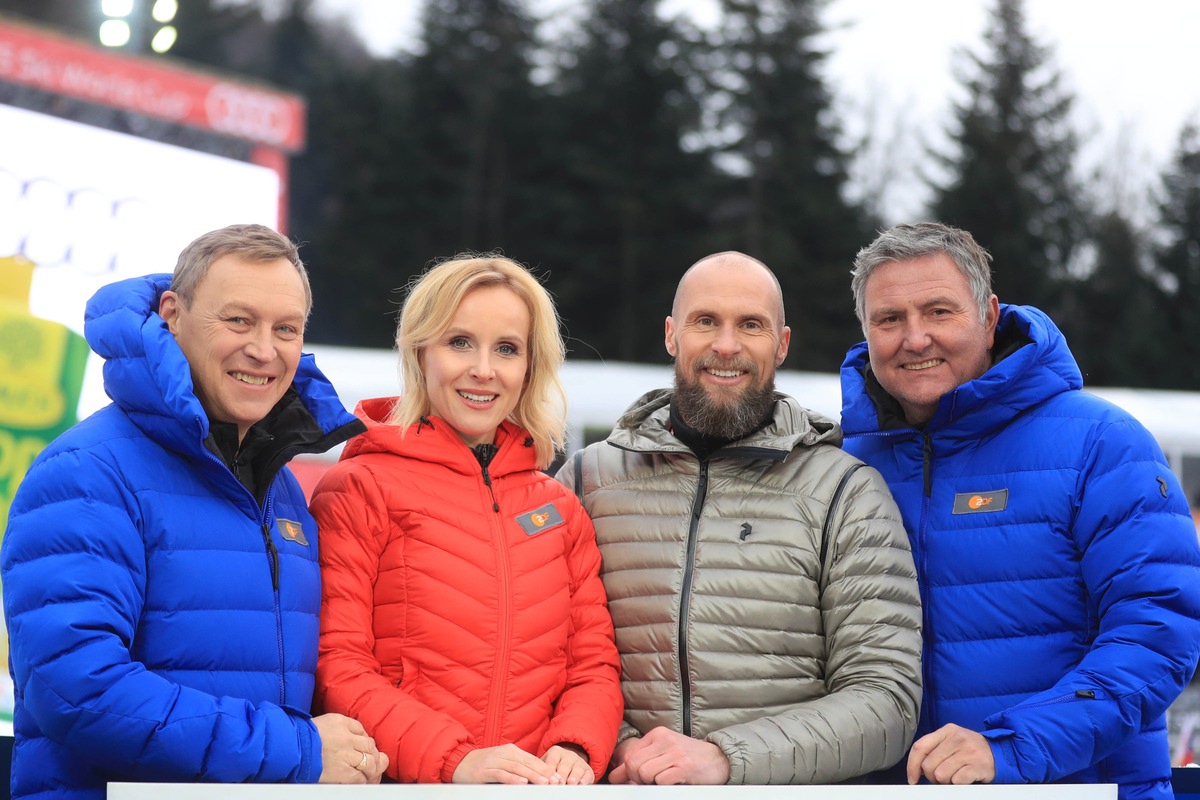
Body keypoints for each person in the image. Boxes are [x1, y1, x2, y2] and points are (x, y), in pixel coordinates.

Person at [1, 224, 388, 799]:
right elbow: (79, 692)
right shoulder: (87, 471)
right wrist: (299, 751)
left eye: (286, 328)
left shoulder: (276, 487)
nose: (263, 349)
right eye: (238, 320)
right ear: (172, 315)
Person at [839, 221, 1200, 797]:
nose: (914, 338)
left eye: (938, 311)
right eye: (889, 319)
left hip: (1079, 786)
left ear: (988, 316)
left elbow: (1158, 632)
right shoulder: (843, 463)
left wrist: (1011, 745)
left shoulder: (1101, 444)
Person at [556, 251, 923, 785]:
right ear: (670, 335)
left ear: (781, 343)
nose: (726, 346)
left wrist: (728, 759)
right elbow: (534, 656)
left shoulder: (844, 491)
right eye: (705, 321)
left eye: (750, 325)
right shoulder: (588, 481)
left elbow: (887, 703)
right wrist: (615, 749)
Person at [310, 254, 623, 785]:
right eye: (459, 342)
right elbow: (336, 666)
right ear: (419, 352)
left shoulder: (560, 508)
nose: (483, 369)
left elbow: (593, 664)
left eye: (506, 348)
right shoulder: (360, 487)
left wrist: (573, 743)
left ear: (529, 366)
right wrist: (454, 761)